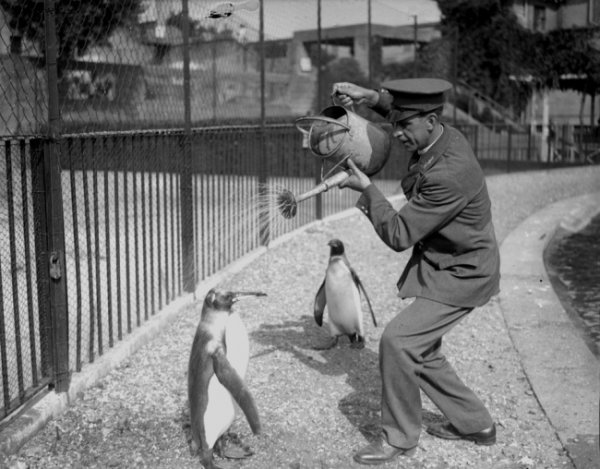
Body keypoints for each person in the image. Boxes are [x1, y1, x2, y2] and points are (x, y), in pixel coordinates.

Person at [331, 78, 500, 465]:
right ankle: (476, 424)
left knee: (398, 342)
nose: (397, 133)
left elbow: (400, 233)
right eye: (396, 124)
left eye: (405, 126)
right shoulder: (440, 135)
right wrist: (369, 97)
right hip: (448, 262)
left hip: (464, 272)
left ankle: (399, 439)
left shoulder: (449, 172)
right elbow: (400, 109)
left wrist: (367, 189)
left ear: (430, 120)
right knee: (419, 349)